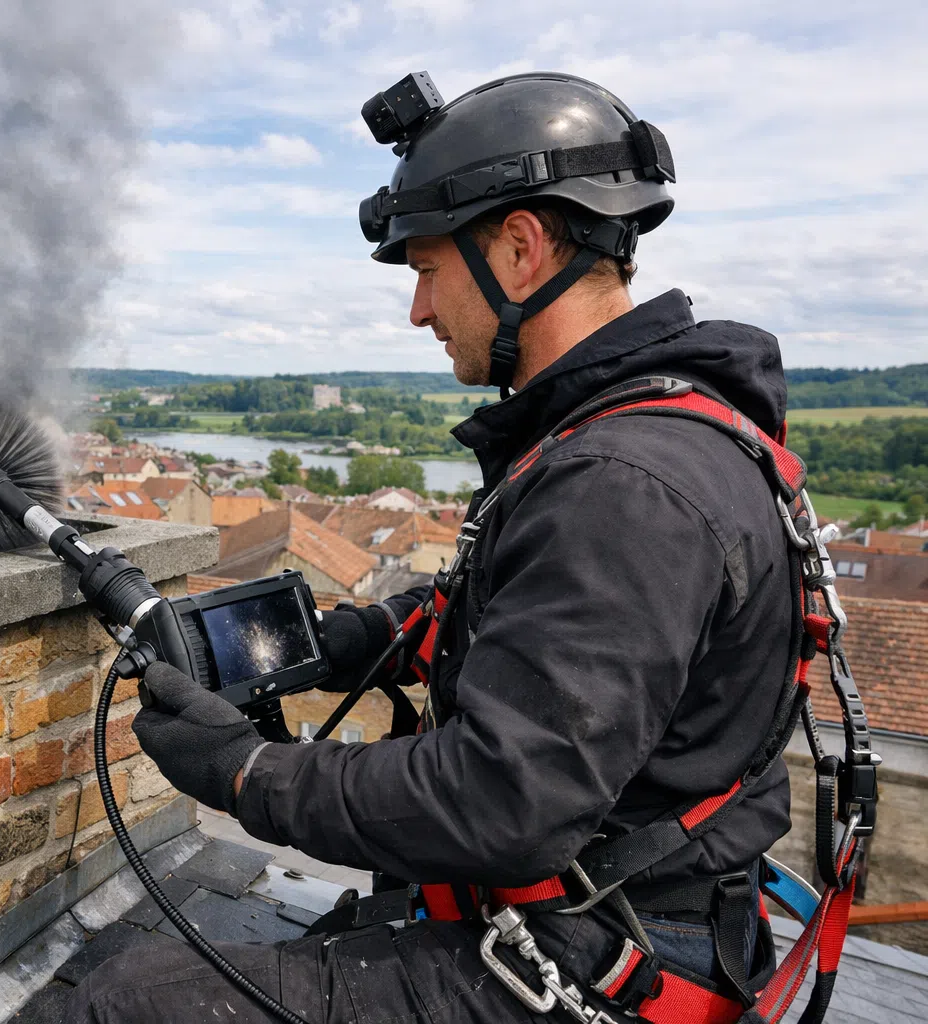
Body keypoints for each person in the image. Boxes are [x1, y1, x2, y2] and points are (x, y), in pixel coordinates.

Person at [68, 71, 815, 1023]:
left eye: (425, 271)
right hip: (615, 914)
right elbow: (546, 623)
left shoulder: (622, 485)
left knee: (124, 1001)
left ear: (518, 248)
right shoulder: (638, 432)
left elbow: (500, 800)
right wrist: (360, 637)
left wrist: (244, 773)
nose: (417, 311)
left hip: (602, 958)